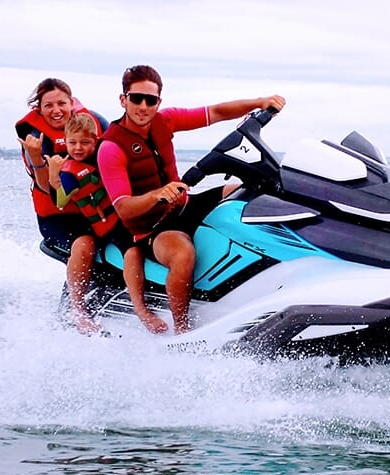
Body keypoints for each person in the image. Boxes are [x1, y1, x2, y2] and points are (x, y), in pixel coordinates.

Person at [97, 64, 286, 334]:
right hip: (151, 229)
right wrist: (157, 195)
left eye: (150, 100)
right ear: (123, 99)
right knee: (182, 251)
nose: (143, 106)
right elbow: (124, 209)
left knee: (247, 192)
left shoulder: (165, 120)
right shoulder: (111, 147)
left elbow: (217, 112)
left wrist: (260, 102)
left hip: (185, 205)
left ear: (158, 102)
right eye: (136, 98)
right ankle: (183, 329)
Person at [48, 112, 167, 335]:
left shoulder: (106, 157)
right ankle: (78, 308)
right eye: (72, 143)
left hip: (116, 221)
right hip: (92, 225)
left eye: (85, 142)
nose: (78, 148)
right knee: (83, 247)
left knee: (132, 253)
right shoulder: (68, 171)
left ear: (96, 141)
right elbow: (61, 201)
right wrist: (54, 177)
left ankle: (140, 309)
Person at [15, 79, 106, 334]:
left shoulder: (92, 122)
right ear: (39, 108)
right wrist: (37, 159)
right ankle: (77, 311)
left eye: (61, 103)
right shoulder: (35, 137)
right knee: (85, 243)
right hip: (58, 214)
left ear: (71, 102)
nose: (56, 110)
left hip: (92, 207)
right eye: (48, 105)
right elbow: (47, 190)